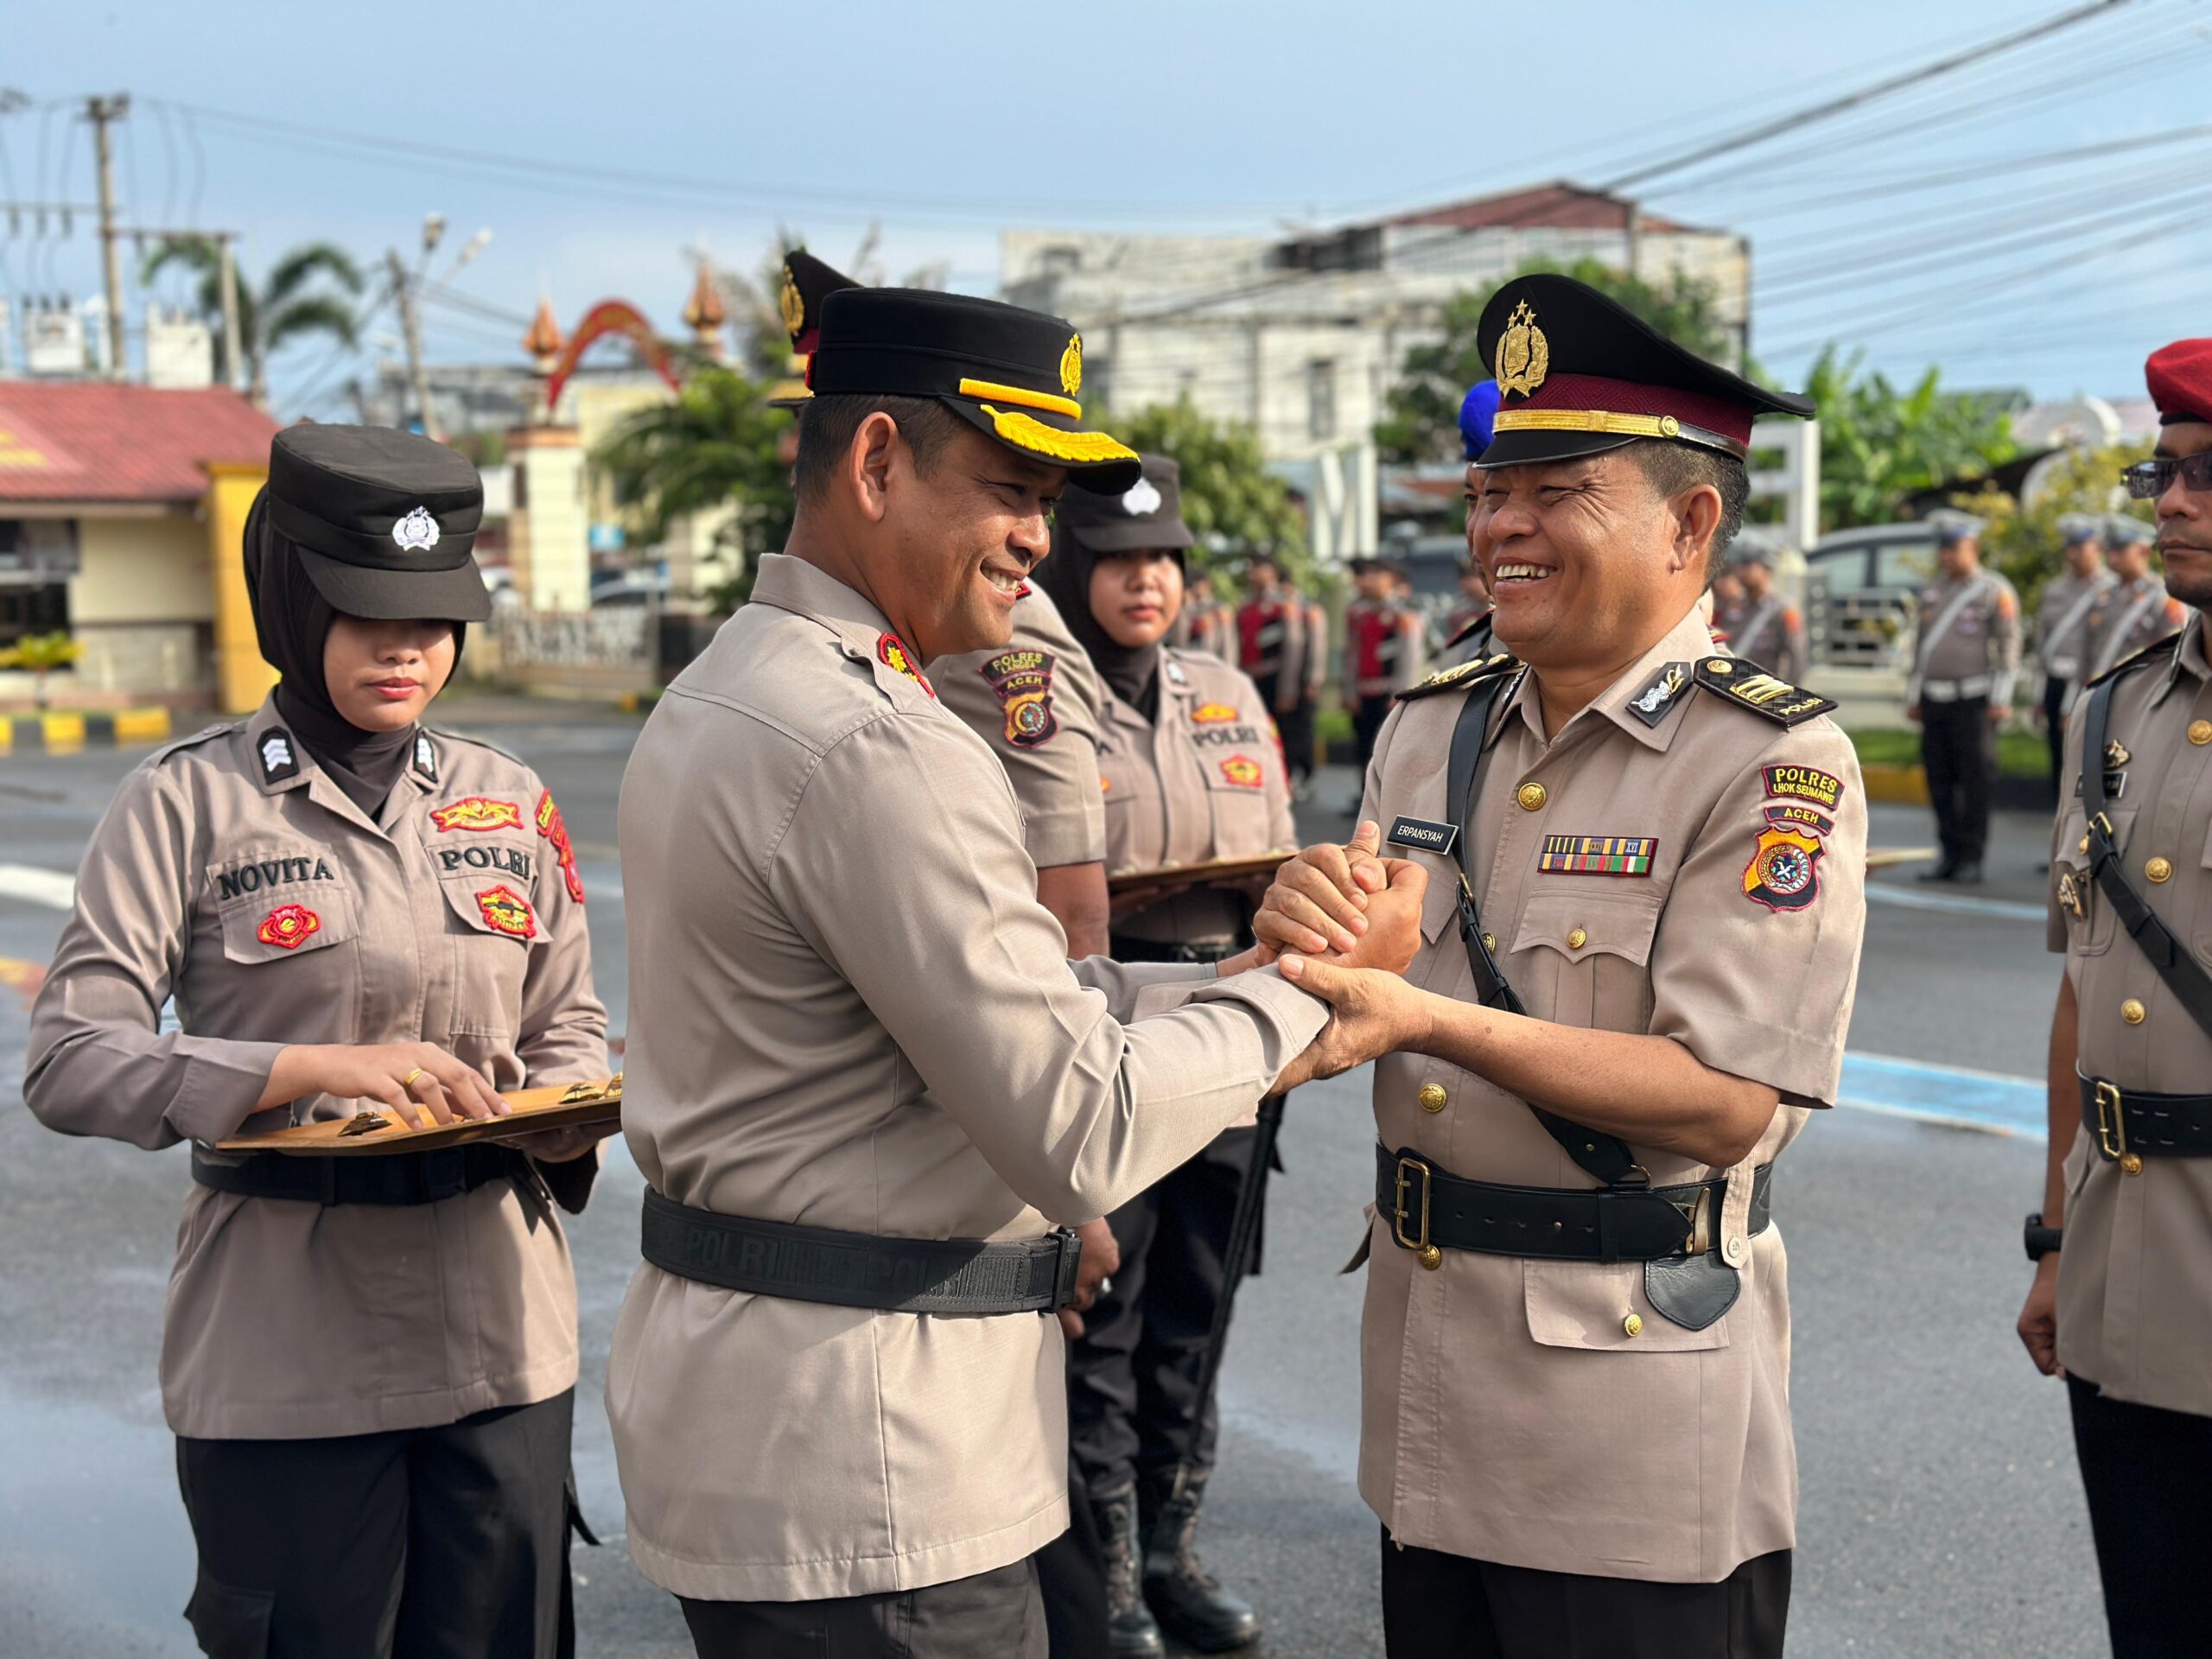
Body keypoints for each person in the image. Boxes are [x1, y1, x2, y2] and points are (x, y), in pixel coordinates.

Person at [603, 288, 1420, 1659]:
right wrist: (1309, 1000)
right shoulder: (875, 744)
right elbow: (1080, 1117)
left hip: (777, 1421)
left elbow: (1012, 1012)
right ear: (874, 466)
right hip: (879, 1464)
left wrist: (1250, 971)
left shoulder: (734, 687)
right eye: (1008, 490)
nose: (1040, 539)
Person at [1253, 273, 1868, 1659]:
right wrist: (1304, 926)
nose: (1499, 529)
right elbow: (1360, 976)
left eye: (1555, 489)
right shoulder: (1434, 727)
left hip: (1629, 1420)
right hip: (1432, 1398)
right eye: (1487, 492)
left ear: (1691, 521)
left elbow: (1726, 1099)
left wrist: (1425, 1017)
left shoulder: (1770, 760)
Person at [23, 424, 610, 1659]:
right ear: (294, 601)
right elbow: (70, 1056)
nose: (407, 647)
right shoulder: (186, 801)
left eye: (435, 618)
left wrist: (561, 1107)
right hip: (289, 1354)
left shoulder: (509, 795)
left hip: (502, 1340)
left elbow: (567, 1017)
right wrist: (296, 1072)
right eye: (367, 613)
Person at [1035, 454, 1296, 1658]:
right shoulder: (1032, 701)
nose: (1149, 581)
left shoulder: (1226, 692)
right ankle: (1106, 1571)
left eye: (1166, 560)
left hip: (1233, 1021)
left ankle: (1169, 1548)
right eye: (1124, 558)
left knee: (1199, 1301)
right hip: (1103, 1023)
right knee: (1109, 1306)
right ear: (1079, 562)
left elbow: (1284, 864)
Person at [2017, 335, 2212, 1659]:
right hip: (2125, 1258)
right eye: (2165, 472)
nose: (2173, 502)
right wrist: (2052, 1238)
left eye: (2208, 474)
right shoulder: (2116, 713)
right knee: (2153, 1623)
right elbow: (2084, 1000)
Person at [1904, 510, 2021, 885]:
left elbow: (2008, 644)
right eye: (1943, 549)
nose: (1946, 556)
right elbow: (1920, 647)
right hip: (1934, 699)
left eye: (1953, 547)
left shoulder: (1993, 590)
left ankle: (1972, 857)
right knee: (1939, 780)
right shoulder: (1932, 590)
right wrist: (1914, 693)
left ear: (1973, 546)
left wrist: (2002, 697)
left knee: (1974, 782)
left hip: (1973, 700)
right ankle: (1949, 854)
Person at [2032, 512, 2115, 798]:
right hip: (2056, 680)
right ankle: (2062, 813)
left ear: (2098, 548)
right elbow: (2043, 642)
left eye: (2080, 547)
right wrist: (2037, 696)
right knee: (2059, 754)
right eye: (2069, 548)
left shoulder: (2112, 589)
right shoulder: (2054, 589)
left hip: (2090, 682)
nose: (2072, 554)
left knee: (2091, 753)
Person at [2082, 512, 2188, 685]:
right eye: (2111, 550)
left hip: (2138, 691)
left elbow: (2173, 654)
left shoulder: (2163, 597)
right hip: (2096, 688)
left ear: (2144, 550)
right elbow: (2086, 649)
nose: (2113, 558)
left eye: (2121, 550)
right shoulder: (2102, 594)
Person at [1345, 557, 1427, 779]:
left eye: (1377, 575)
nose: (1370, 581)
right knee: (1363, 747)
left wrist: (1400, 693)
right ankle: (1364, 796)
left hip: (1389, 693)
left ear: (1391, 580)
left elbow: (1410, 658)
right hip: (1363, 692)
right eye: (1368, 575)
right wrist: (1350, 691)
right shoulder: (1358, 614)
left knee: (1388, 750)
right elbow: (1352, 654)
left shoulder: (1403, 614)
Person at [1235, 552, 1311, 791]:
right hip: (1251, 678)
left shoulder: (1285, 605)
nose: (1252, 573)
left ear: (1272, 574)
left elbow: (1293, 647)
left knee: (1287, 731)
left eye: (1258, 568)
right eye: (1251, 568)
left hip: (1277, 677)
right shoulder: (1245, 606)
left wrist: (1288, 689)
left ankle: (1289, 779)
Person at [1725, 529, 1808, 683]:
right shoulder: (1734, 605)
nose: (1740, 570)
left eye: (1747, 563)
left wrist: (1788, 693)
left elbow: (1797, 657)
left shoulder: (1784, 610)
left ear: (1766, 566)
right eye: (1739, 564)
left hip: (1763, 694)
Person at [1172, 569, 1233, 658]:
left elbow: (1228, 644)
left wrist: (1228, 667)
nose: (1195, 588)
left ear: (1207, 583)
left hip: (1213, 661)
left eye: (1197, 584)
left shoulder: (1220, 609)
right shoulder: (1187, 610)